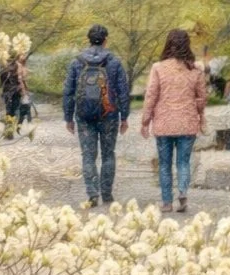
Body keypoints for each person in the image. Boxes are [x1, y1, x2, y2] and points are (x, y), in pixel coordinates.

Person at [62, 24, 131, 207]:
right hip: (108, 115)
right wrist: (124, 117)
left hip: (84, 116)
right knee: (108, 154)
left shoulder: (77, 62)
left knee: (88, 155)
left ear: (89, 39)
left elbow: (68, 92)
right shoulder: (114, 62)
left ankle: (92, 194)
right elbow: (123, 91)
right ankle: (107, 194)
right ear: (106, 39)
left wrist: (68, 117)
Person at [140, 29, 208, 214]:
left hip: (164, 123)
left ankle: (166, 202)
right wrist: (199, 114)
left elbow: (151, 96)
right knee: (183, 163)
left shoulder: (158, 68)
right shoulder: (195, 70)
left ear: (168, 44)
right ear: (187, 45)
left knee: (164, 164)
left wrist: (145, 121)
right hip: (187, 123)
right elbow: (202, 97)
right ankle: (183, 193)